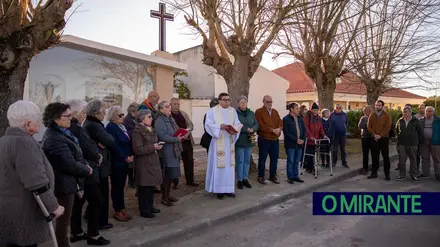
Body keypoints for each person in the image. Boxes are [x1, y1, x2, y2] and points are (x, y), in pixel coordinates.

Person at [0, 101, 64, 247]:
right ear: (28, 124)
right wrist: (53, 207)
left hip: (7, 210)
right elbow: (36, 182)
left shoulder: (4, 140)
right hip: (24, 213)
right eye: (37, 120)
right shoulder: (23, 143)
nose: (40, 123)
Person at [42, 102, 93, 247]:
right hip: (62, 184)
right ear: (56, 118)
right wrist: (86, 169)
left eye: (71, 115)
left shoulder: (63, 132)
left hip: (69, 182)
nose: (71, 118)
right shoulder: (54, 137)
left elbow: (77, 154)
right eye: (67, 116)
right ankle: (62, 244)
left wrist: (84, 165)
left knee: (65, 219)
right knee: (63, 220)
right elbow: (68, 164)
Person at [66, 100, 110, 245]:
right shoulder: (77, 128)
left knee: (79, 203)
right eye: (83, 113)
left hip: (81, 169)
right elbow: (86, 148)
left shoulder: (74, 127)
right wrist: (97, 155)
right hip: (86, 170)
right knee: (97, 200)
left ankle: (77, 232)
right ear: (74, 113)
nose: (84, 116)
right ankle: (93, 235)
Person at [83, 100, 114, 230]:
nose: (105, 113)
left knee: (97, 195)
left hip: (98, 163)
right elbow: (110, 140)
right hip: (99, 165)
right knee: (101, 194)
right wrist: (103, 142)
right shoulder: (94, 125)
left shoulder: (90, 123)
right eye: (103, 110)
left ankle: (89, 215)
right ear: (95, 113)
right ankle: (101, 221)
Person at [205, 93, 242, 199]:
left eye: (228, 100)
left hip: (229, 141)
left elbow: (238, 123)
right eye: (225, 100)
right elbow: (208, 125)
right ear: (219, 100)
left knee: (229, 167)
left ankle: (229, 189)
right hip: (218, 142)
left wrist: (235, 130)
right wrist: (219, 126)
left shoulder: (233, 111)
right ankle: (219, 190)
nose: (227, 102)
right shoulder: (212, 111)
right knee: (219, 166)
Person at [132, 110, 163, 218]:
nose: (151, 118)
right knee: (144, 187)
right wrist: (153, 147)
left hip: (152, 160)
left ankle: (150, 206)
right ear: (142, 118)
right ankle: (144, 210)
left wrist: (157, 146)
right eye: (149, 117)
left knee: (151, 186)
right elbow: (138, 149)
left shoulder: (151, 129)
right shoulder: (137, 131)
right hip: (144, 162)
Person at [105, 106, 133, 222]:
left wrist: (130, 155)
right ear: (113, 116)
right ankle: (117, 210)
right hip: (117, 162)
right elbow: (114, 145)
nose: (122, 117)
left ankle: (122, 208)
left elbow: (127, 141)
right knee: (117, 187)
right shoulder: (111, 127)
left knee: (121, 187)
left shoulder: (121, 126)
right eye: (120, 115)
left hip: (124, 160)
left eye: (123, 114)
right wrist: (125, 157)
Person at [155, 101, 184, 206]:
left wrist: (182, 133)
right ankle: (164, 197)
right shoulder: (160, 121)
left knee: (173, 174)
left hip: (174, 149)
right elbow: (162, 136)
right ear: (161, 109)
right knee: (168, 174)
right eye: (167, 107)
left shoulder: (171, 118)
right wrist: (176, 139)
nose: (169, 108)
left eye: (169, 106)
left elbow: (176, 130)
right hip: (167, 150)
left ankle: (168, 194)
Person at [170, 98, 199, 187]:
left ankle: (190, 181)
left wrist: (187, 133)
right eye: (174, 104)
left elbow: (190, 125)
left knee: (189, 161)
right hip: (175, 142)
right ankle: (175, 182)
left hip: (186, 141)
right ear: (170, 105)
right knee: (175, 163)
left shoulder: (183, 114)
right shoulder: (168, 116)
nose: (176, 106)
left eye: (178, 104)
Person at [255, 95, 283, 185]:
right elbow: (260, 124)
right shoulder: (259, 111)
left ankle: (273, 175)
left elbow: (280, 121)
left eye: (271, 102)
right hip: (264, 138)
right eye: (268, 102)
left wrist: (279, 129)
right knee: (262, 158)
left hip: (275, 139)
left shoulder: (275, 111)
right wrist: (272, 130)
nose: (270, 103)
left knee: (274, 158)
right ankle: (261, 176)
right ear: (263, 102)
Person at [235, 96, 259, 189]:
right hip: (240, 139)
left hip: (250, 138)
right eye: (241, 102)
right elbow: (236, 124)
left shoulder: (251, 113)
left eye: (245, 101)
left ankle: (245, 178)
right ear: (238, 103)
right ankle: (240, 180)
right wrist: (246, 129)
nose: (243, 103)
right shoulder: (235, 113)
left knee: (246, 160)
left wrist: (253, 129)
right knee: (240, 160)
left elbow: (256, 123)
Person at [395, 106, 423, 182]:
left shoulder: (416, 121)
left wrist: (418, 143)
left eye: (406, 112)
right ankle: (402, 175)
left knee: (413, 160)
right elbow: (396, 130)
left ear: (410, 112)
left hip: (413, 144)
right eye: (403, 112)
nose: (404, 113)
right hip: (402, 144)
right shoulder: (400, 120)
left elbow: (420, 133)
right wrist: (398, 138)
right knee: (402, 160)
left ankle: (414, 175)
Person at [367, 100, 392, 180]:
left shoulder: (387, 115)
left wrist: (380, 135)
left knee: (385, 157)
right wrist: (374, 135)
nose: (377, 106)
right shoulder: (372, 115)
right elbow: (369, 126)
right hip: (374, 138)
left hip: (384, 139)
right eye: (376, 105)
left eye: (379, 105)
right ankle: (374, 173)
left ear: (382, 106)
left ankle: (387, 174)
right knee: (374, 157)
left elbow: (388, 127)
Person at [283, 102, 307, 184]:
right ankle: (290, 177)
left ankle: (296, 176)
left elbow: (304, 130)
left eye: (298, 108)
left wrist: (303, 139)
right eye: (296, 108)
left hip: (300, 144)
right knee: (291, 161)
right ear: (291, 109)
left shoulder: (300, 118)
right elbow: (287, 133)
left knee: (297, 161)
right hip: (291, 144)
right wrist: (296, 140)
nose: (298, 110)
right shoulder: (286, 119)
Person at [303, 102, 327, 173]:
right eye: (314, 110)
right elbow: (306, 128)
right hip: (309, 140)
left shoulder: (319, 118)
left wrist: (324, 135)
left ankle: (311, 167)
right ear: (311, 110)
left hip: (316, 139)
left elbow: (321, 128)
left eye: (316, 110)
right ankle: (310, 168)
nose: (315, 111)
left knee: (314, 154)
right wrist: (310, 136)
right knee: (309, 154)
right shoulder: (307, 117)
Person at [419, 106, 440, 180]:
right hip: (424, 141)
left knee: (436, 159)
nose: (428, 112)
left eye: (430, 111)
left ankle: (438, 174)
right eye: (426, 111)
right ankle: (425, 173)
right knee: (425, 158)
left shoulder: (438, 120)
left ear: (433, 112)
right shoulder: (421, 120)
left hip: (435, 141)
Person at [123, 102, 138, 189]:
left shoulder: (134, 119)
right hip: (129, 145)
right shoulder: (127, 120)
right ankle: (131, 181)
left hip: (134, 144)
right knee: (130, 165)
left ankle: (133, 180)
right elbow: (127, 133)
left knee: (133, 165)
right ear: (133, 111)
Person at [329, 104, 348, 168]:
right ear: (335, 108)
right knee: (334, 149)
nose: (338, 109)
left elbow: (346, 123)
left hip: (343, 134)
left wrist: (345, 130)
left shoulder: (344, 114)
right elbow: (330, 124)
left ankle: (344, 162)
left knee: (343, 149)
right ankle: (334, 162)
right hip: (335, 135)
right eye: (337, 107)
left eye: (340, 107)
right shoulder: (331, 115)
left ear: (341, 108)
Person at [358, 105, 373, 175]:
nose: (364, 111)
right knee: (365, 154)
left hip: (372, 138)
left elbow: (373, 127)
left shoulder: (373, 117)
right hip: (364, 137)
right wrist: (367, 125)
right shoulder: (363, 118)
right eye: (363, 110)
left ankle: (375, 167)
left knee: (374, 153)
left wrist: (367, 126)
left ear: (369, 111)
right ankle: (365, 168)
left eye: (365, 110)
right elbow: (360, 126)